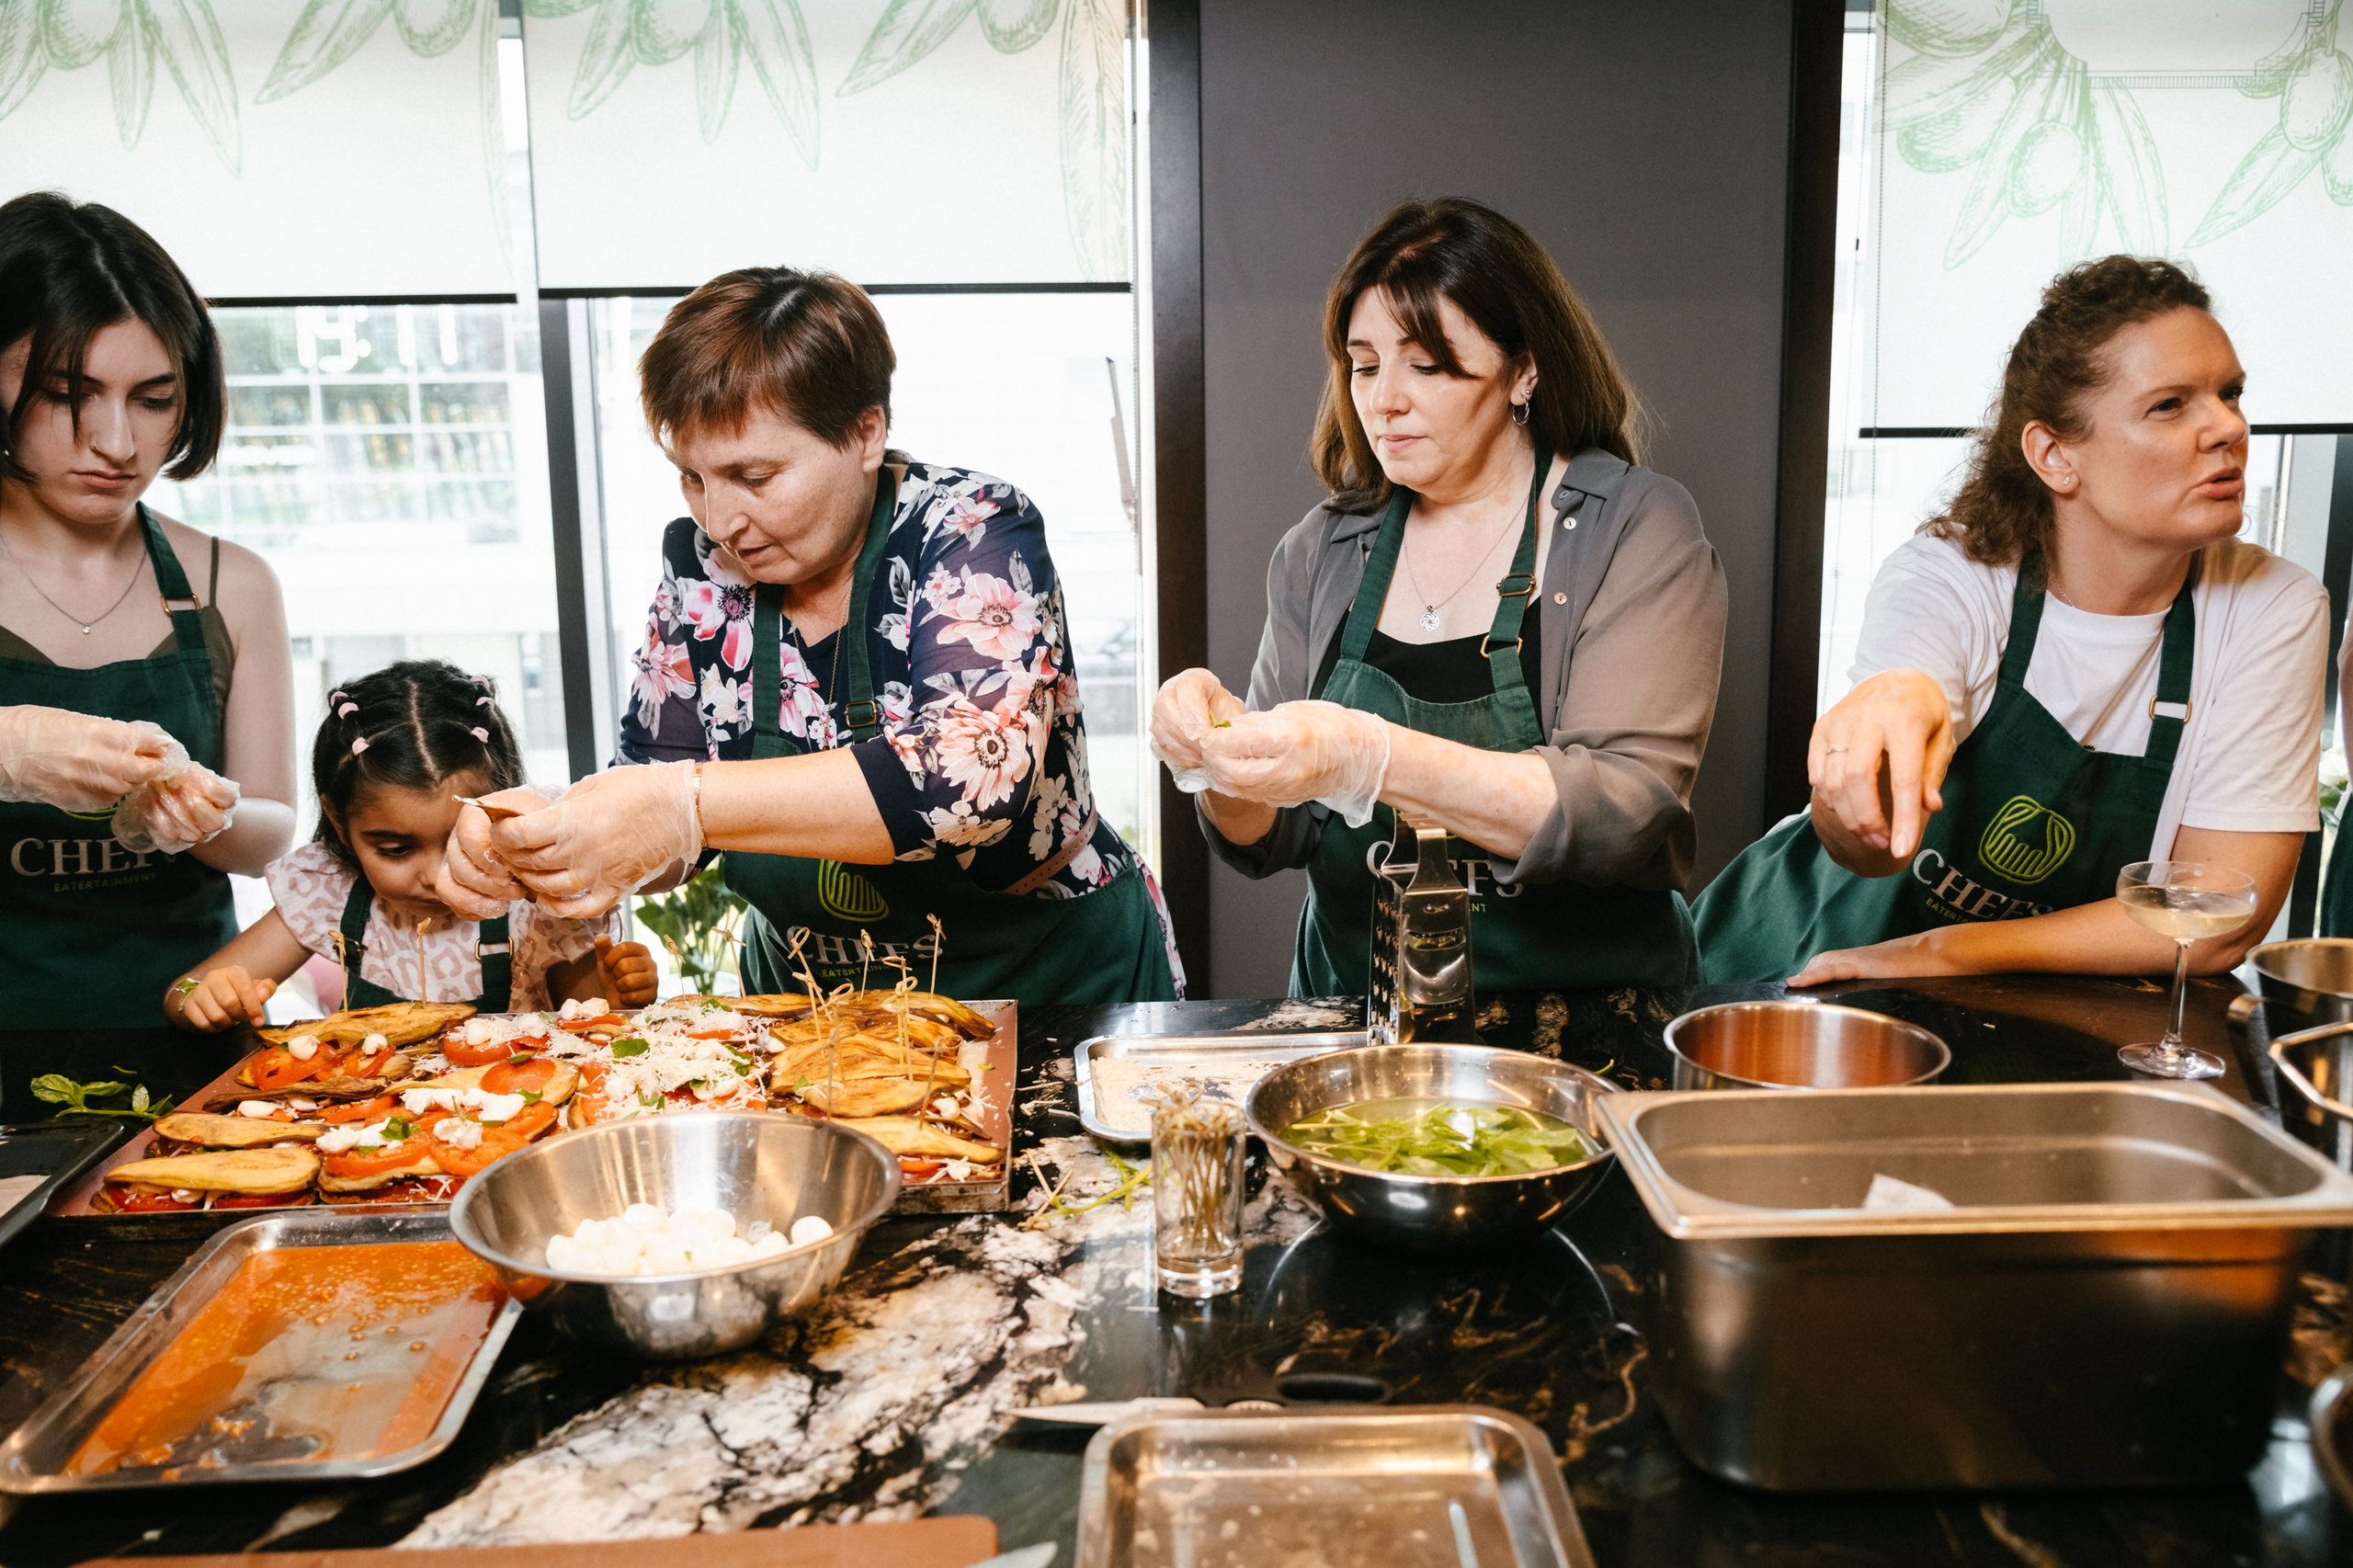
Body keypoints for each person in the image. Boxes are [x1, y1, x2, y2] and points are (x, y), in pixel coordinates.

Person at [436, 268, 1181, 1005]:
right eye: (692, 477)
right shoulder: (699, 570)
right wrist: (536, 832)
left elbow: (969, 781)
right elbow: (654, 802)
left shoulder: (969, 528)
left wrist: (684, 804)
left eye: (753, 477)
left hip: (1049, 979)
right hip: (810, 1003)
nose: (718, 521)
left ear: (865, 433)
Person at [1152, 197, 1727, 996]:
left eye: (1425, 365)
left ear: (1523, 368)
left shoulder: (1635, 526)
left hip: (1576, 1032)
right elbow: (1275, 837)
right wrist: (1218, 756)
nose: (1385, 399)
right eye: (1364, 364)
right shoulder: (1322, 549)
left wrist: (1369, 755)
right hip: (1358, 1021)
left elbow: (1623, 814)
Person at [1695, 256, 2323, 986]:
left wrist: (1944, 950)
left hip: (2000, 997)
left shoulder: (2273, 607)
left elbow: (2217, 923)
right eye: (2170, 405)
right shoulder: (1951, 572)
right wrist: (1881, 741)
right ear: (2055, 456)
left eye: (2230, 393)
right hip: (1794, 957)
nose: (2229, 427)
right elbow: (1891, 771)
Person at [0, 193, 296, 1054]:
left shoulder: (226, 582)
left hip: (187, 1047)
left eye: (155, 399)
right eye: (67, 395)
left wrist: (203, 812)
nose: (118, 442)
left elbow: (272, 831)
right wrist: (13, 752)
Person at [165, 660, 657, 1029]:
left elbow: (595, 1019)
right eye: (395, 849)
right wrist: (206, 998)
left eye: (465, 841)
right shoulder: (330, 892)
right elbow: (180, 991)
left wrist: (618, 994)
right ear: (338, 821)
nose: (434, 876)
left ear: (508, 808)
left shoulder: (538, 906)